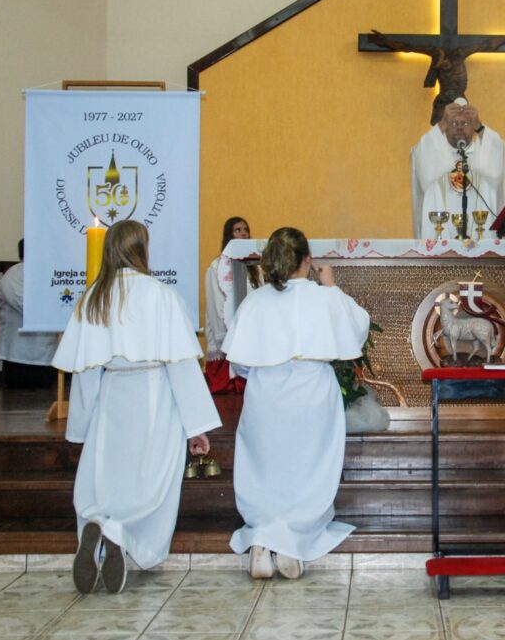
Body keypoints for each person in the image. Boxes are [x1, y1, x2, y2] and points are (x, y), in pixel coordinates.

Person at [52, 220, 221, 594]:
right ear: (142, 249)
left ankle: (100, 523)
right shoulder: (161, 295)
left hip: (112, 394)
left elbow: (85, 371)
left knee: (106, 473)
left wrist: (80, 427)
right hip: (155, 395)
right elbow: (181, 365)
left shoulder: (94, 298)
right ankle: (122, 535)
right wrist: (196, 426)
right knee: (153, 477)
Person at [223, 227, 370, 580]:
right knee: (307, 464)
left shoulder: (255, 302)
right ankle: (293, 541)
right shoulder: (324, 297)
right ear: (308, 260)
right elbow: (357, 330)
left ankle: (263, 538)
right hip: (311, 390)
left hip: (265, 392)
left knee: (266, 464)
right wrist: (331, 285)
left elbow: (239, 364)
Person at [369, 29, 505, 124]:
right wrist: (386, 42)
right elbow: (408, 47)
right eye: (440, 66)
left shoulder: (460, 53)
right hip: (444, 96)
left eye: (444, 65)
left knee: (465, 128)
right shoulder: (435, 53)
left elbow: (485, 45)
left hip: (459, 96)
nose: (443, 68)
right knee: (437, 126)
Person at [411, 97, 505, 240]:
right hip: (440, 238)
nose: (459, 127)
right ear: (445, 128)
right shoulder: (434, 153)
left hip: (481, 237)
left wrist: (480, 126)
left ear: (473, 127)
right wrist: (442, 123)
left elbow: (503, 154)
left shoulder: (483, 152)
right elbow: (418, 156)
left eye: (465, 123)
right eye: (453, 123)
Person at [203, 216, 261, 393]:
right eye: (238, 230)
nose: (243, 233)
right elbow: (216, 305)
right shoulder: (216, 267)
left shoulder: (255, 267)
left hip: (251, 328)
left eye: (246, 230)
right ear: (229, 235)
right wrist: (226, 336)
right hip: (228, 328)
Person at [0, 239, 58, 388]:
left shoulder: (50, 271)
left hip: (46, 350)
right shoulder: (13, 275)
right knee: (19, 391)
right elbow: (23, 305)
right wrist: (52, 311)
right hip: (18, 351)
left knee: (45, 390)